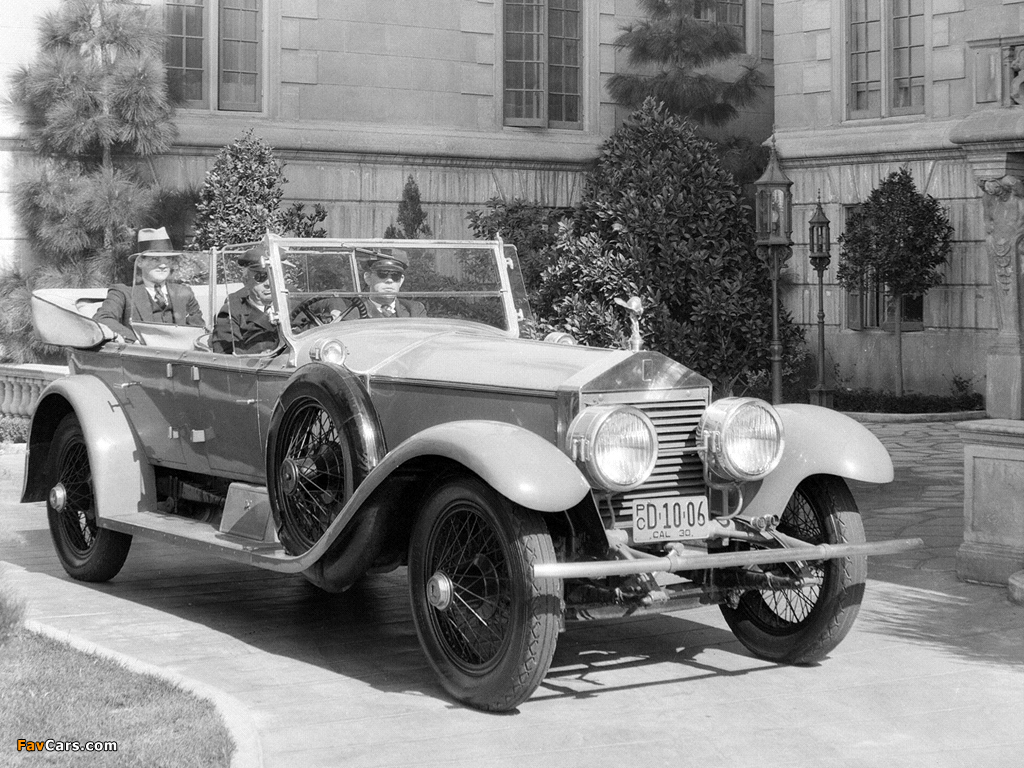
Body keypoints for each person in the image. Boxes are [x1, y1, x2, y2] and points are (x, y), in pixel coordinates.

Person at [94, 227, 205, 343]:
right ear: (140, 262)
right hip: (142, 356)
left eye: (167, 259)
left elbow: (198, 331)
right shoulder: (123, 292)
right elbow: (102, 318)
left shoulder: (184, 293)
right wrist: (135, 341)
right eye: (155, 259)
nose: (163, 265)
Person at [210, 246, 281, 355]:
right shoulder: (232, 311)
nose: (268, 283)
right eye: (261, 277)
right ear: (245, 281)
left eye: (273, 277)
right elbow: (226, 355)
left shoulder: (292, 308)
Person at [334, 251, 426, 320]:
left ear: (401, 280)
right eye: (383, 274)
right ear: (368, 278)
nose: (389, 280)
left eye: (395, 276)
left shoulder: (414, 310)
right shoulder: (352, 313)